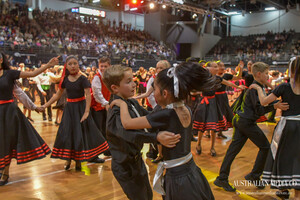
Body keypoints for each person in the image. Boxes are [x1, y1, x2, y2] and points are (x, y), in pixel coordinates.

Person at [109, 62, 216, 200]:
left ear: (164, 93)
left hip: (177, 176)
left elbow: (127, 123)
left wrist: (122, 104)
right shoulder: (186, 108)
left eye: (154, 90)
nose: (152, 93)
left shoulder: (165, 114)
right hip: (191, 170)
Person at [103, 65, 181, 200]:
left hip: (137, 161)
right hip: (125, 166)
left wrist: (170, 109)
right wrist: (156, 137)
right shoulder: (115, 111)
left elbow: (150, 117)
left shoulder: (131, 102)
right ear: (115, 88)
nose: (134, 85)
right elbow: (129, 135)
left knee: (147, 195)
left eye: (133, 80)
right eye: (128, 82)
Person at [214, 62, 289, 192]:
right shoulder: (255, 88)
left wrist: (273, 100)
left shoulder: (258, 86)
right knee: (265, 147)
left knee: (232, 150)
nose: (268, 76)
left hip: (241, 120)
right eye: (266, 74)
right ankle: (254, 175)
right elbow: (259, 110)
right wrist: (274, 106)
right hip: (246, 122)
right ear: (259, 74)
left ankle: (222, 178)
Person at [0, 52, 59, 186]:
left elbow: (28, 80)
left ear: (1, 60)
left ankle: (5, 172)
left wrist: (48, 65)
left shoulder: (9, 74)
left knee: (6, 141)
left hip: (8, 112)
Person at [41, 56, 109, 170]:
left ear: (78, 65)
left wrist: (87, 111)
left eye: (75, 63)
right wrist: (45, 105)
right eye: (70, 64)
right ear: (66, 67)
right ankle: (68, 159)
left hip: (81, 108)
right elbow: (58, 95)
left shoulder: (83, 79)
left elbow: (88, 95)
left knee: (80, 134)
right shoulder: (65, 80)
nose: (73, 66)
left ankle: (78, 160)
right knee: (68, 133)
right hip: (70, 109)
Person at [251, 57, 300, 200]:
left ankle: (283, 189)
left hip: (288, 126)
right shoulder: (283, 86)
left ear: (291, 69)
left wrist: (259, 88)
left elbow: (264, 102)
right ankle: (297, 194)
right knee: (298, 158)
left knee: (283, 156)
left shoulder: (284, 87)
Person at [90, 57, 112, 157]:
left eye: (105, 66)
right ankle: (94, 154)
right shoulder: (97, 78)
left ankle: (106, 150)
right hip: (96, 107)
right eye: (101, 66)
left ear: (109, 66)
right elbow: (97, 94)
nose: (103, 68)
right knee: (96, 130)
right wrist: (105, 103)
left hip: (103, 106)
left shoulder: (109, 77)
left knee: (105, 129)